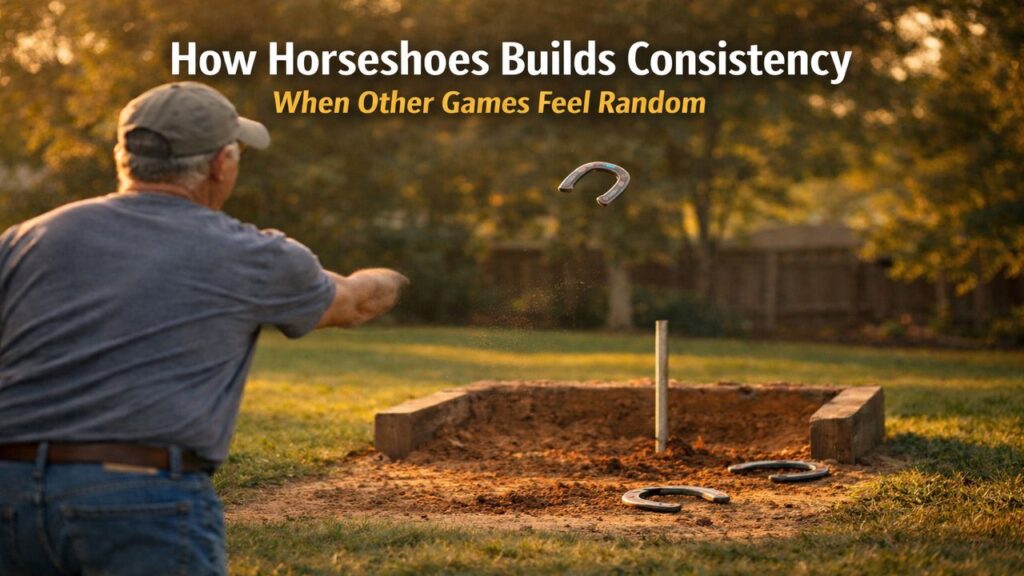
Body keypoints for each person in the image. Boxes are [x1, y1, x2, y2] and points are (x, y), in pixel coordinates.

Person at [0, 81, 408, 575]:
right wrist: (393, 277)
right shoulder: (250, 255)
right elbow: (353, 304)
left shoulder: (24, 239)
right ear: (221, 164)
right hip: (138, 500)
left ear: (122, 157)